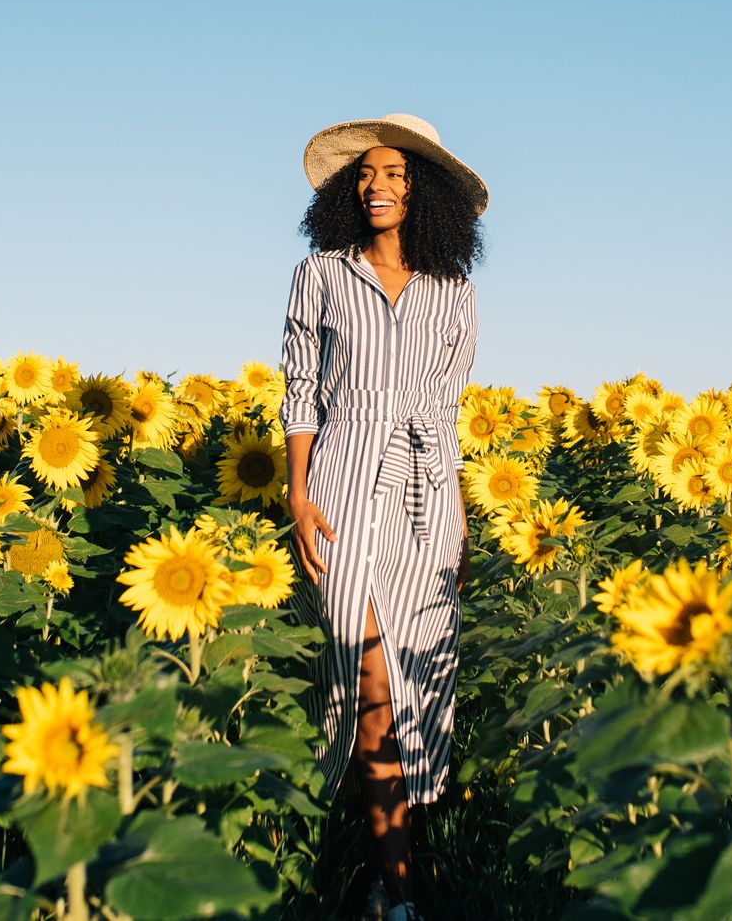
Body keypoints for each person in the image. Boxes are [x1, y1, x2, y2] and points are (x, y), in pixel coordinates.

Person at [279, 113, 487, 921]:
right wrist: (298, 495)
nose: (377, 185)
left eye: (395, 173)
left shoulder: (455, 292)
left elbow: (448, 410)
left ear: (423, 188)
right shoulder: (321, 275)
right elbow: (300, 387)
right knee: (364, 676)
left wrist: (460, 520)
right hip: (338, 481)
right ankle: (397, 887)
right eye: (364, 174)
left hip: (425, 495)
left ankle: (392, 866)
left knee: (418, 685)